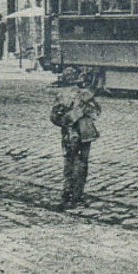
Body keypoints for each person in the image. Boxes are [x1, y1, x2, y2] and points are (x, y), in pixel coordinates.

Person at [50, 70, 102, 209]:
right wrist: (84, 113)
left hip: (69, 133)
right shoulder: (86, 94)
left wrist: (66, 120)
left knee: (69, 161)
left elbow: (54, 118)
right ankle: (78, 194)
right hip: (86, 133)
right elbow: (97, 112)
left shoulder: (61, 96)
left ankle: (67, 192)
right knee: (83, 163)